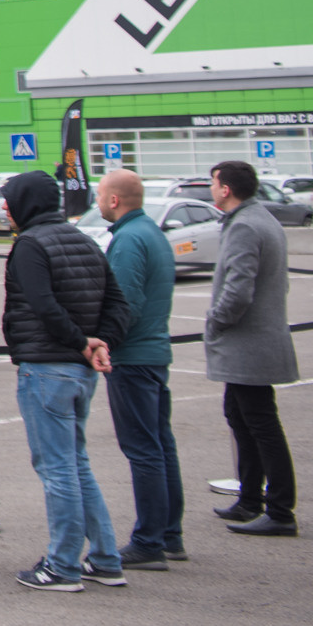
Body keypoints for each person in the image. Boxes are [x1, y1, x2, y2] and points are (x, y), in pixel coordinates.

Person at [0, 170, 129, 590]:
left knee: (57, 470)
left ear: (26, 203)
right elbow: (118, 302)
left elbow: (44, 306)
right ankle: (105, 558)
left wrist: (83, 342)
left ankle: (62, 565)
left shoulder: (30, 245)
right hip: (79, 370)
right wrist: (101, 343)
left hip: (46, 368)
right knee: (76, 465)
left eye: (9, 199)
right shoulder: (85, 240)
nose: (4, 207)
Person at [205, 158, 299, 537]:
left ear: (226, 189)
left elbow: (238, 291)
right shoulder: (260, 218)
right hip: (254, 344)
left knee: (261, 424)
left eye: (214, 183)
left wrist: (215, 320)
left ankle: (280, 511)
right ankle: (249, 500)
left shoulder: (244, 225)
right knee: (241, 417)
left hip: (249, 346)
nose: (211, 189)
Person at [97, 169, 185, 568]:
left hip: (133, 357)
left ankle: (149, 541)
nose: (98, 201)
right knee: (160, 445)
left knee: (144, 449)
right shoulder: (151, 232)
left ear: (114, 200)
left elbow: (125, 303)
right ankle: (169, 534)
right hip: (153, 353)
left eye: (101, 195)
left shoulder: (129, 239)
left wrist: (103, 343)